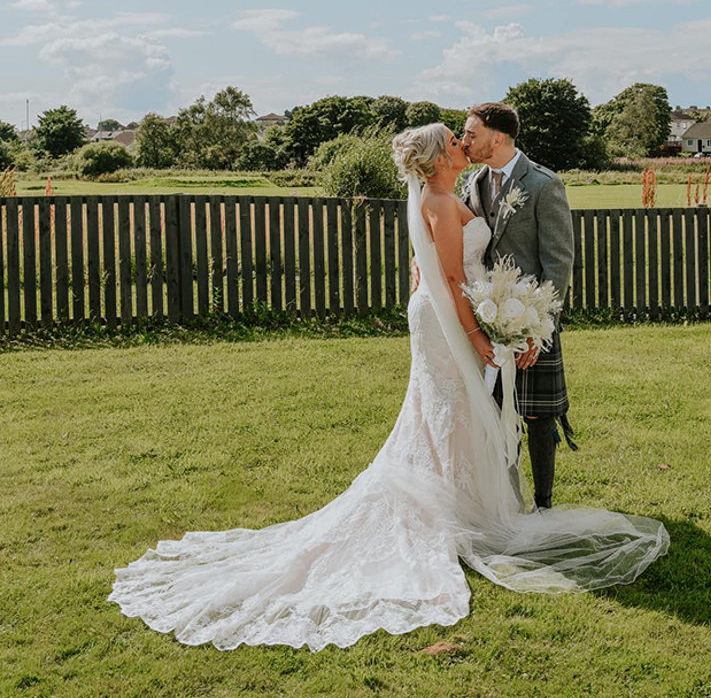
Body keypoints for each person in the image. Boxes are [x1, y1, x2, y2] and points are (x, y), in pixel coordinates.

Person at [109, 124, 668, 652]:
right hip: (451, 317)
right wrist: (477, 337)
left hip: (446, 311)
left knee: (443, 411)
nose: (461, 142)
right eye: (454, 140)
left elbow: (424, 270)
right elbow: (449, 277)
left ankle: (460, 499)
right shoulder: (443, 202)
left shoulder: (446, 195)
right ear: (439, 156)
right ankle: (456, 508)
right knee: (451, 408)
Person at [461, 102, 574, 510]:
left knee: (537, 417)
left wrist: (537, 329)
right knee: (493, 416)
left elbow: (558, 263)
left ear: (498, 137)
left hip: (531, 320)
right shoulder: (473, 183)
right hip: (485, 320)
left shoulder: (544, 185)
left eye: (471, 134)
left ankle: (543, 506)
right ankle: (507, 504)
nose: (464, 140)